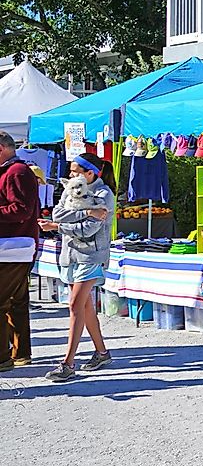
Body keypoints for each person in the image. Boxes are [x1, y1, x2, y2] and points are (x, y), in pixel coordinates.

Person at [40, 155, 116, 382]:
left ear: (90, 173)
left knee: (75, 305)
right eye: (71, 171)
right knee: (85, 306)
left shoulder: (104, 195)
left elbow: (89, 229)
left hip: (91, 256)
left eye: (76, 171)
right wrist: (86, 212)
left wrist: (57, 227)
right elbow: (58, 212)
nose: (72, 175)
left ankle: (67, 363)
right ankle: (102, 353)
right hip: (70, 254)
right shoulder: (69, 188)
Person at [0, 131, 39, 371]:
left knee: (2, 303)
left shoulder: (18, 172)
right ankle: (20, 353)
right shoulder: (12, 171)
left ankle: (3, 358)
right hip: (13, 247)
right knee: (16, 302)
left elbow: (21, 209)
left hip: (14, 248)